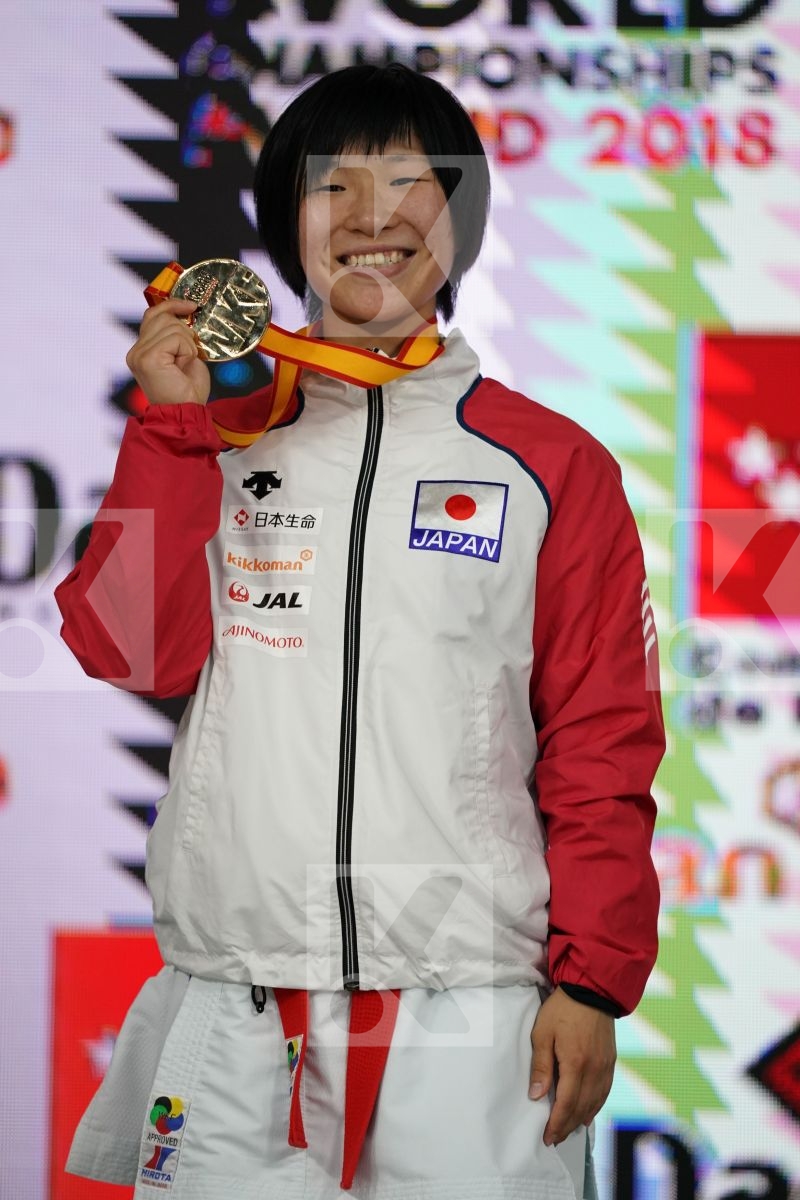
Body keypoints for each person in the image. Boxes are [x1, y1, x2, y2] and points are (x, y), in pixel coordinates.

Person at [56, 63, 664, 1200]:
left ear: (459, 217)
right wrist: (172, 433)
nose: (370, 215)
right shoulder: (217, 436)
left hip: (472, 1016)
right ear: (291, 223)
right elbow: (130, 650)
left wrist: (590, 984)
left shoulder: (549, 464)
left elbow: (601, 738)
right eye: (332, 185)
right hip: (238, 1010)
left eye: (407, 181)